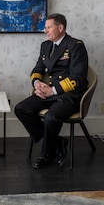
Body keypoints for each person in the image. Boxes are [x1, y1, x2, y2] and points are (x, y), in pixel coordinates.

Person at [14, 13, 88, 169]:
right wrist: (37, 84)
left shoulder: (76, 46)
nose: (45, 31)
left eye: (48, 27)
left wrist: (52, 91)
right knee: (21, 109)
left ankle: (46, 154)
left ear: (60, 28)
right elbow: (38, 69)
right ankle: (57, 143)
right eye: (45, 27)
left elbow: (78, 78)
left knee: (50, 118)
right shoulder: (46, 46)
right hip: (48, 91)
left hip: (68, 95)